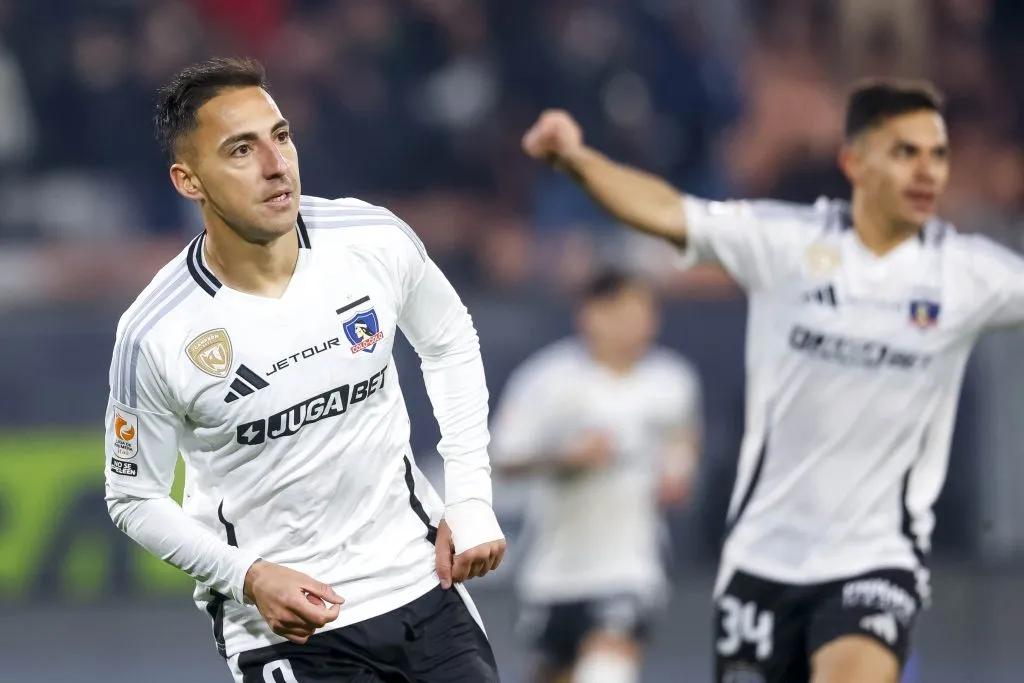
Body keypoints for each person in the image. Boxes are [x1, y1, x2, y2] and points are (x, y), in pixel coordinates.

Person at [521, 79, 1024, 683]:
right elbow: (663, 210)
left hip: (877, 560)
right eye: (904, 152)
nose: (927, 171)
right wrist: (577, 159)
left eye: (938, 155)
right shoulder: (784, 243)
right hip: (763, 560)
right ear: (854, 162)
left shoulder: (967, 273)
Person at [103, 57, 505, 683]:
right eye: (241, 150)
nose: (276, 165)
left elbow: (450, 340)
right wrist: (249, 577)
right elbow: (134, 496)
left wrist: (472, 497)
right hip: (286, 631)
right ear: (189, 181)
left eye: (281, 136)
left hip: (423, 589)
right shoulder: (155, 332)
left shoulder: (369, 239)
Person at [491, 268, 703, 683]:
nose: (639, 325)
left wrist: (678, 476)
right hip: (553, 571)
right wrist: (565, 458)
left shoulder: (672, 381)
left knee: (606, 669)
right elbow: (504, 458)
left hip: (629, 566)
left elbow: (684, 443)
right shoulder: (548, 380)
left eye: (645, 313)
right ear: (591, 315)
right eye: (624, 312)